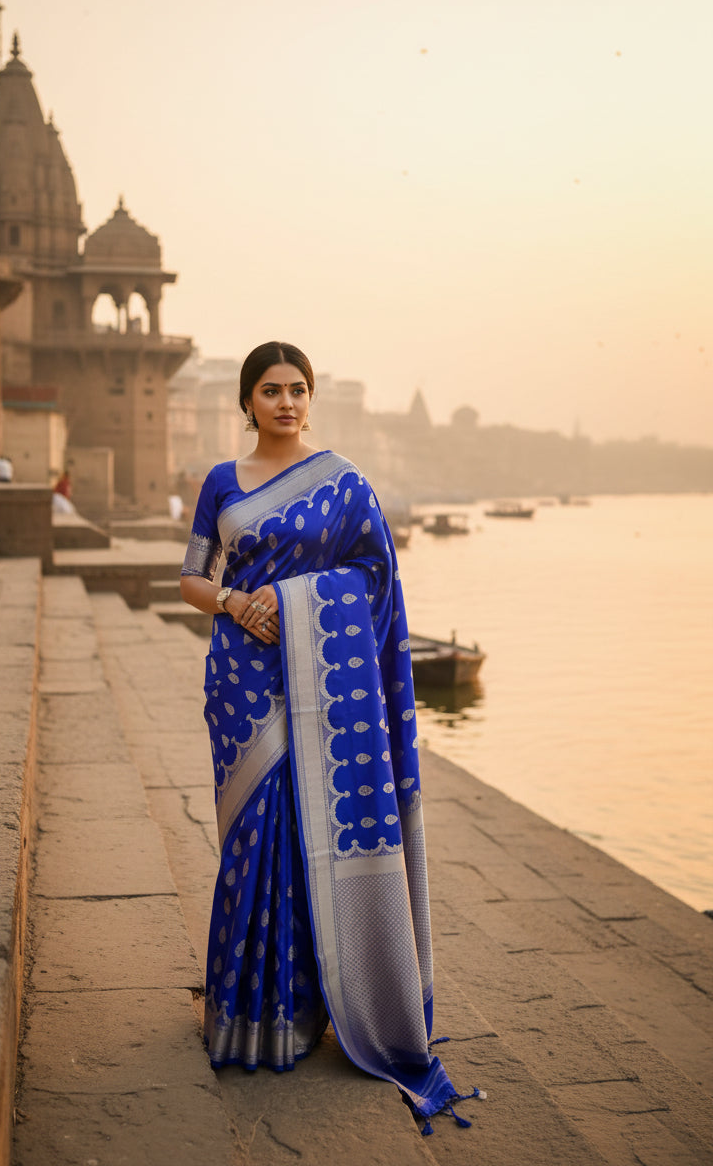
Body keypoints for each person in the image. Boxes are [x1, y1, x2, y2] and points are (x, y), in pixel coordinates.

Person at [179, 342, 479, 1133]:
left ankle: (308, 1010)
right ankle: (245, 1010)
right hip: (243, 682)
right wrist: (237, 606)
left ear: (311, 399)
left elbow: (377, 579)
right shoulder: (221, 482)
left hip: (323, 678)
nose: (285, 402)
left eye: (298, 389)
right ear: (247, 402)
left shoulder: (343, 483)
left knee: (310, 834)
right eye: (270, 390)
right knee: (253, 841)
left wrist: (298, 598)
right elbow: (190, 576)